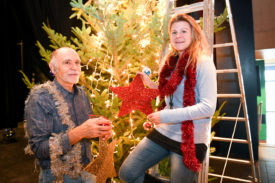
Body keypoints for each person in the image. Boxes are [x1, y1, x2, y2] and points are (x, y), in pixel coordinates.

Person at [119, 13, 217, 183]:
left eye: (184, 31)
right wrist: (151, 85)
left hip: (190, 140)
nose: (178, 36)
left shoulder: (203, 62)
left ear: (193, 34)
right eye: (174, 32)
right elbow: (172, 92)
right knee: (127, 172)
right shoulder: (172, 61)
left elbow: (207, 107)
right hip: (165, 131)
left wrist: (164, 116)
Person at [24, 47, 113, 183]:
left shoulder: (82, 94)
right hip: (58, 175)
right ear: (53, 69)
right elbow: (39, 149)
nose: (74, 67)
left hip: (87, 169)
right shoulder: (40, 98)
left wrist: (101, 130)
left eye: (77, 63)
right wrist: (80, 132)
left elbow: (88, 126)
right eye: (67, 63)